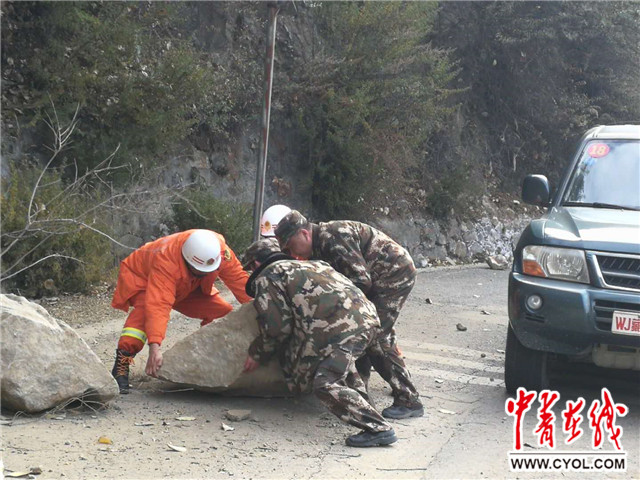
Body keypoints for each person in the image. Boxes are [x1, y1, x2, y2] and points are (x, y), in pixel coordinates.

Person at [242, 239, 397, 447]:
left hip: (342, 328)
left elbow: (277, 327)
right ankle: (366, 407)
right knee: (340, 364)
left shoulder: (268, 276)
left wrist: (257, 353)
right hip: (368, 318)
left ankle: (379, 428)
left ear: (254, 264)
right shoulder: (314, 264)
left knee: (325, 382)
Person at [274, 210, 423, 419]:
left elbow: (361, 280)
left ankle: (409, 399)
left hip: (393, 274)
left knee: (375, 335)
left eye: (291, 246)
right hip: (378, 278)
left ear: (304, 234)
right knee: (361, 330)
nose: (292, 254)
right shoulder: (318, 245)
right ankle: (362, 389)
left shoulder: (331, 237)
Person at [110, 229, 252, 393]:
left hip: (188, 285)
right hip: (142, 277)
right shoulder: (166, 260)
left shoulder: (219, 251)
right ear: (188, 261)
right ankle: (122, 364)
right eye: (200, 271)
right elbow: (159, 305)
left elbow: (240, 282)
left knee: (224, 313)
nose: (204, 273)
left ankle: (213, 358)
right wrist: (155, 348)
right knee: (143, 314)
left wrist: (260, 308)